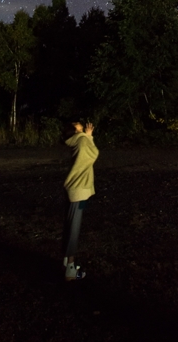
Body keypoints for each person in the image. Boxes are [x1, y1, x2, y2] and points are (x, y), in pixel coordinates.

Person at [62, 120, 98, 282]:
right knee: (74, 228)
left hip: (76, 190)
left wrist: (87, 136)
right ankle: (70, 268)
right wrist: (88, 137)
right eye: (76, 124)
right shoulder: (82, 140)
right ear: (74, 129)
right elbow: (93, 154)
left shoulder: (76, 141)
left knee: (70, 224)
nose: (80, 123)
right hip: (79, 190)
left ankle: (66, 261)